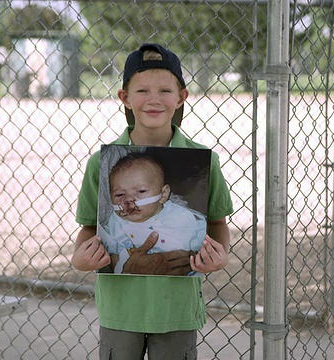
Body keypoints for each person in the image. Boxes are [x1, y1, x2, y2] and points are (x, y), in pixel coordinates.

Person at [71, 43, 233, 360]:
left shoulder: (204, 161)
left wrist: (220, 257)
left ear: (181, 97)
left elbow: (217, 224)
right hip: (121, 308)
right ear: (125, 99)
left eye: (164, 90)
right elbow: (90, 228)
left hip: (177, 309)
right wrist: (80, 259)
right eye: (142, 90)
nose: (154, 99)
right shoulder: (99, 164)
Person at [100, 151, 207, 275]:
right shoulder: (115, 222)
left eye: (141, 191)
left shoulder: (182, 219)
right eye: (119, 194)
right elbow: (114, 257)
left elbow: (203, 251)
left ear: (163, 194)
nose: (128, 200)